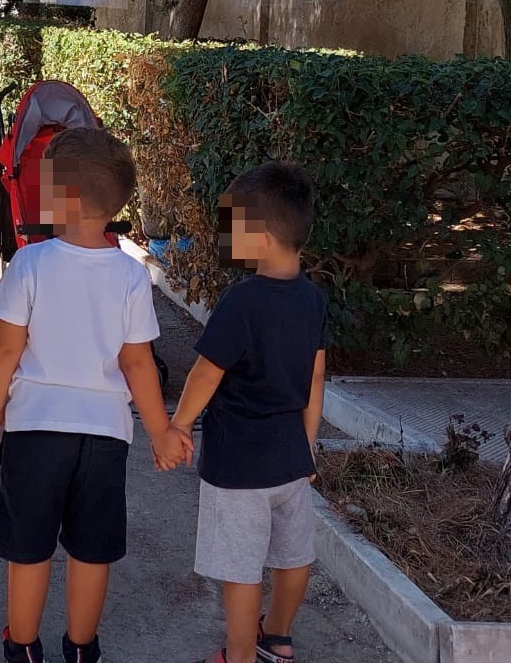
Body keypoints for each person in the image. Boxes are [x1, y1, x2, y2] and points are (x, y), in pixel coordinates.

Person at [0, 128, 187, 663]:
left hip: (35, 427)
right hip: (104, 434)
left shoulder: (30, 263)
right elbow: (137, 362)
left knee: (29, 549)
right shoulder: (130, 275)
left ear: (62, 198)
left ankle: (23, 648)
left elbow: (5, 349)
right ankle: (80, 649)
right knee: (92, 550)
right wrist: (161, 431)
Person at [157, 163, 327, 663]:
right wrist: (307, 447)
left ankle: (239, 655)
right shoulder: (313, 299)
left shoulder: (241, 300)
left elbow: (206, 373)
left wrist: (179, 423)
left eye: (233, 226)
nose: (227, 236)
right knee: (294, 557)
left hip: (237, 465)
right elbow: (315, 380)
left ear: (262, 237)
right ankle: (278, 637)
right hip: (291, 458)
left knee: (241, 569)